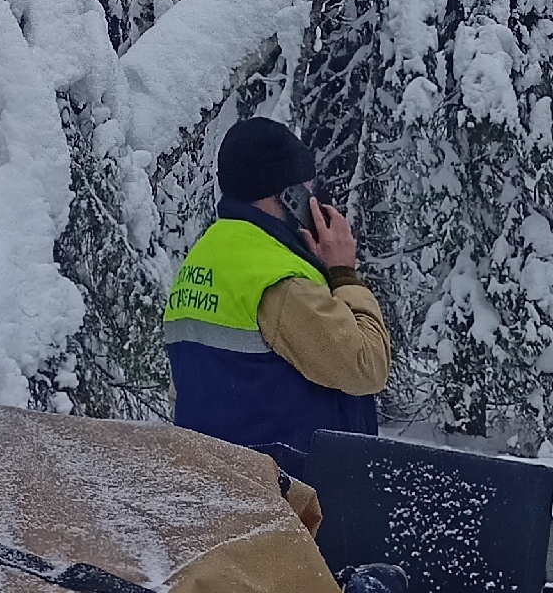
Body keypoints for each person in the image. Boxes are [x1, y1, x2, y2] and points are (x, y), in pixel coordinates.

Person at [162, 118, 392, 472]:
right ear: (289, 194)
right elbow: (367, 367)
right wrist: (344, 273)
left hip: (222, 488)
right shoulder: (279, 278)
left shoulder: (206, 256)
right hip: (291, 497)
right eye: (306, 189)